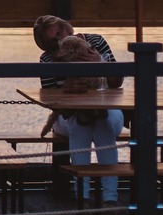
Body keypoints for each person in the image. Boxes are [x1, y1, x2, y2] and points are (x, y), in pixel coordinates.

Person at [51, 35, 123, 205]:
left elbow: (117, 82)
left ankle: (105, 198)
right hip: (66, 114)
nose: (59, 36)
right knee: (79, 122)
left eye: (61, 29)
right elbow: (54, 103)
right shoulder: (50, 56)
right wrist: (66, 87)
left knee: (103, 122)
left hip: (105, 108)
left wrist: (101, 63)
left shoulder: (96, 43)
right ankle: (88, 196)